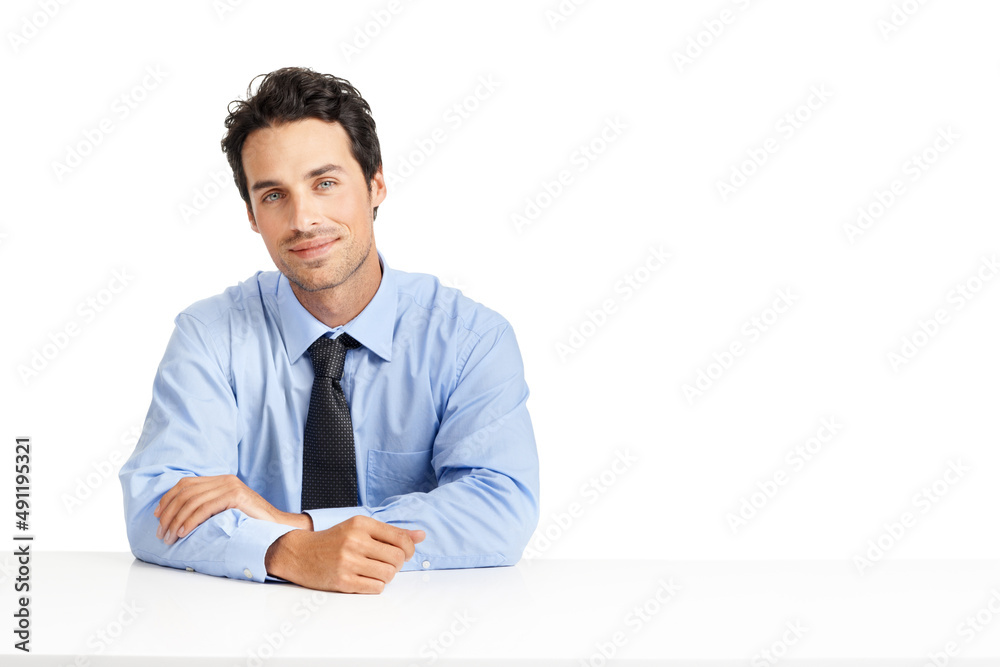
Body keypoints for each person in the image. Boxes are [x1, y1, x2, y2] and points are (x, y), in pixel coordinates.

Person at [118, 67, 540, 594]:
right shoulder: (210, 335)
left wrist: (297, 528)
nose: (303, 218)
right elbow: (157, 506)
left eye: (325, 183)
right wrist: (287, 553)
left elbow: (499, 505)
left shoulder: (470, 339)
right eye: (273, 195)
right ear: (251, 214)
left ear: (376, 184)